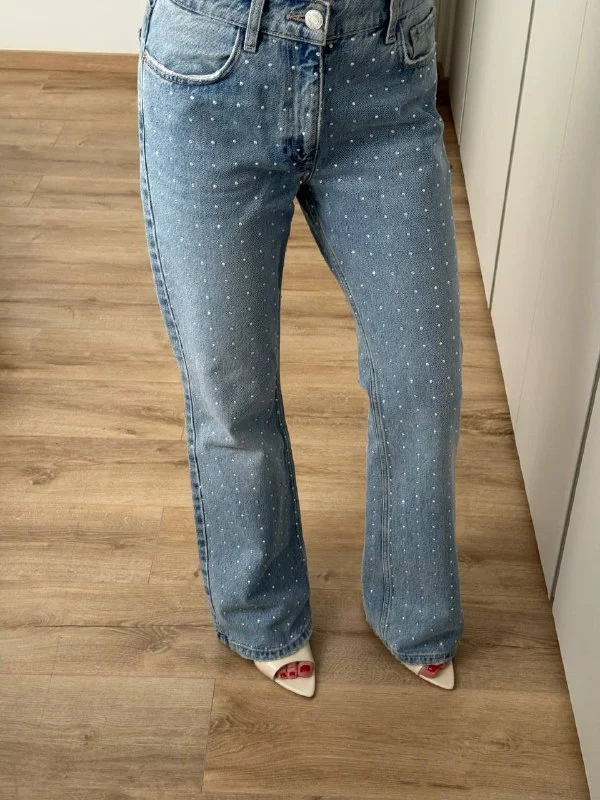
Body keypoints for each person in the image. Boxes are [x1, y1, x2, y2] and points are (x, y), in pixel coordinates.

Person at [136, 0, 464, 698]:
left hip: (383, 63)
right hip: (212, 66)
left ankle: (412, 601)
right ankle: (263, 609)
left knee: (424, 379)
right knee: (232, 389)